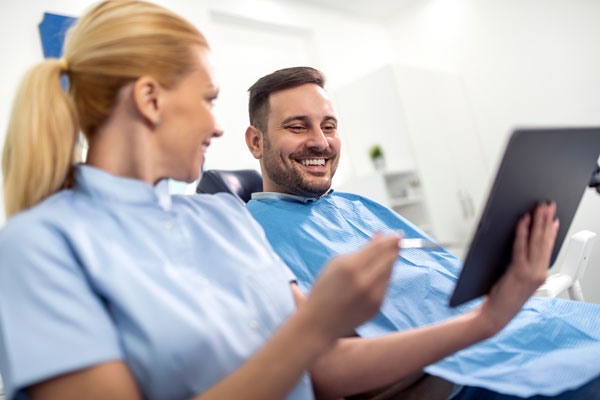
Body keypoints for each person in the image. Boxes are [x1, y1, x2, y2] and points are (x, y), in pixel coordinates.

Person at [0, 2, 559, 399]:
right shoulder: (40, 246)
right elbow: (311, 343)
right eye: (209, 99)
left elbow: (328, 369)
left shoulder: (221, 217)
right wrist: (316, 323)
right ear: (149, 99)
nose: (218, 127)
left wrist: (490, 318)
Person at [244, 67, 600, 399]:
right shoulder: (250, 235)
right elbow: (324, 362)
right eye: (297, 127)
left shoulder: (355, 204)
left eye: (330, 125)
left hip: (525, 320)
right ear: (256, 142)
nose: (321, 142)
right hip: (468, 368)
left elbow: (448, 273)